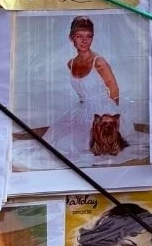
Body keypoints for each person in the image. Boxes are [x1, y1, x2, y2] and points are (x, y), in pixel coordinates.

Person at [40, 16, 130, 164]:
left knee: (85, 144)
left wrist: (111, 117)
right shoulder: (71, 63)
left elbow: (114, 89)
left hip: (103, 111)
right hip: (83, 109)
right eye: (79, 36)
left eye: (89, 36)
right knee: (58, 140)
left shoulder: (98, 61)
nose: (84, 41)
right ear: (71, 39)